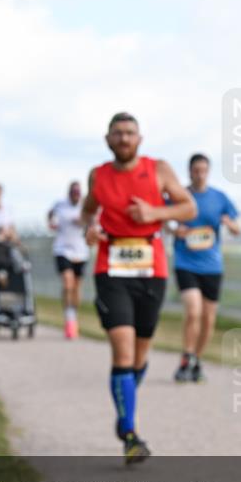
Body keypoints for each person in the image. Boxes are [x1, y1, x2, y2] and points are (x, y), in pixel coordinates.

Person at [81, 112, 196, 464]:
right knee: (123, 352)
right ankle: (130, 435)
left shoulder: (158, 169)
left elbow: (188, 208)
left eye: (130, 133)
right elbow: (88, 211)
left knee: (140, 357)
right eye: (117, 133)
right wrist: (90, 228)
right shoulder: (98, 175)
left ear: (140, 138)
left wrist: (155, 214)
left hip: (151, 269)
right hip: (111, 267)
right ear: (107, 140)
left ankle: (123, 411)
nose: (124, 139)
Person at [170, 153, 239, 382]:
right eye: (196, 170)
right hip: (185, 262)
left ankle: (197, 360)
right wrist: (173, 229)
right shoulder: (180, 195)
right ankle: (186, 357)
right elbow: (163, 218)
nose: (200, 175)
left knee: (209, 319)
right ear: (189, 171)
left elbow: (238, 227)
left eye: (203, 170)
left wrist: (229, 223)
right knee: (193, 310)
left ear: (208, 172)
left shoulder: (219, 198)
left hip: (211, 265)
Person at [48, 181, 90, 339]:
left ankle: (74, 315)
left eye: (78, 193)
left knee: (77, 287)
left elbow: (89, 221)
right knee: (68, 282)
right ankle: (69, 319)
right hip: (62, 249)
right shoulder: (60, 204)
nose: (75, 196)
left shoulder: (85, 205)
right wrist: (51, 223)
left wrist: (84, 221)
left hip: (81, 251)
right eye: (73, 192)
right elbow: (50, 213)